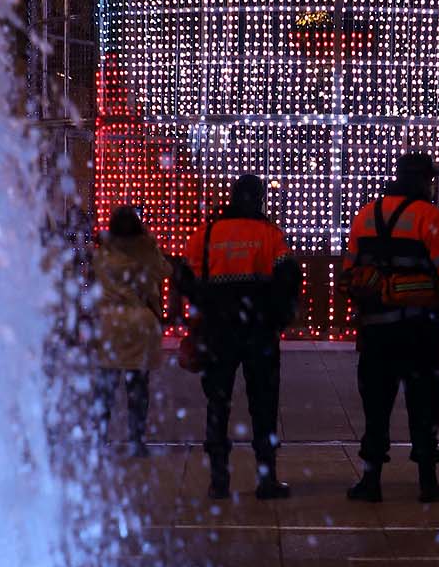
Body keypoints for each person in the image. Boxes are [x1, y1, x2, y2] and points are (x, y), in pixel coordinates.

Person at [344, 149, 439, 504]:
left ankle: (371, 481)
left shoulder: (367, 214)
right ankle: (427, 481)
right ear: (421, 180)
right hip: (418, 330)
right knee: (424, 402)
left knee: (376, 404)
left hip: (376, 329)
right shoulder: (428, 217)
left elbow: (350, 267)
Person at [178, 174, 300, 501]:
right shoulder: (270, 235)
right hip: (259, 333)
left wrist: (206, 307)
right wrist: (276, 317)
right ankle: (266, 478)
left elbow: (184, 279)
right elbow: (289, 279)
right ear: (259, 199)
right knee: (263, 404)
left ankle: (219, 479)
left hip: (217, 333)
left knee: (218, 403)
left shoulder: (205, 235)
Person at [90, 204, 175, 459]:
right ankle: (136, 440)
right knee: (138, 386)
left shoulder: (103, 252)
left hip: (109, 323)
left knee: (106, 386)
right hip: (139, 323)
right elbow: (166, 271)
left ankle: (99, 439)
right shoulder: (145, 250)